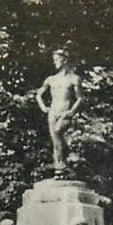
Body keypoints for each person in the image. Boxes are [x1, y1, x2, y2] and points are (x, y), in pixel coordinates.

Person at [35, 48, 84, 177]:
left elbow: (80, 98)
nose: (55, 62)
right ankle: (60, 169)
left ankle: (63, 163)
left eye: (57, 59)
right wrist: (43, 107)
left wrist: (72, 111)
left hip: (65, 112)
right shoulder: (51, 79)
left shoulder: (74, 78)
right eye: (54, 60)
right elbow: (39, 94)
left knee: (57, 132)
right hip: (53, 112)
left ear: (65, 60)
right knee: (55, 142)